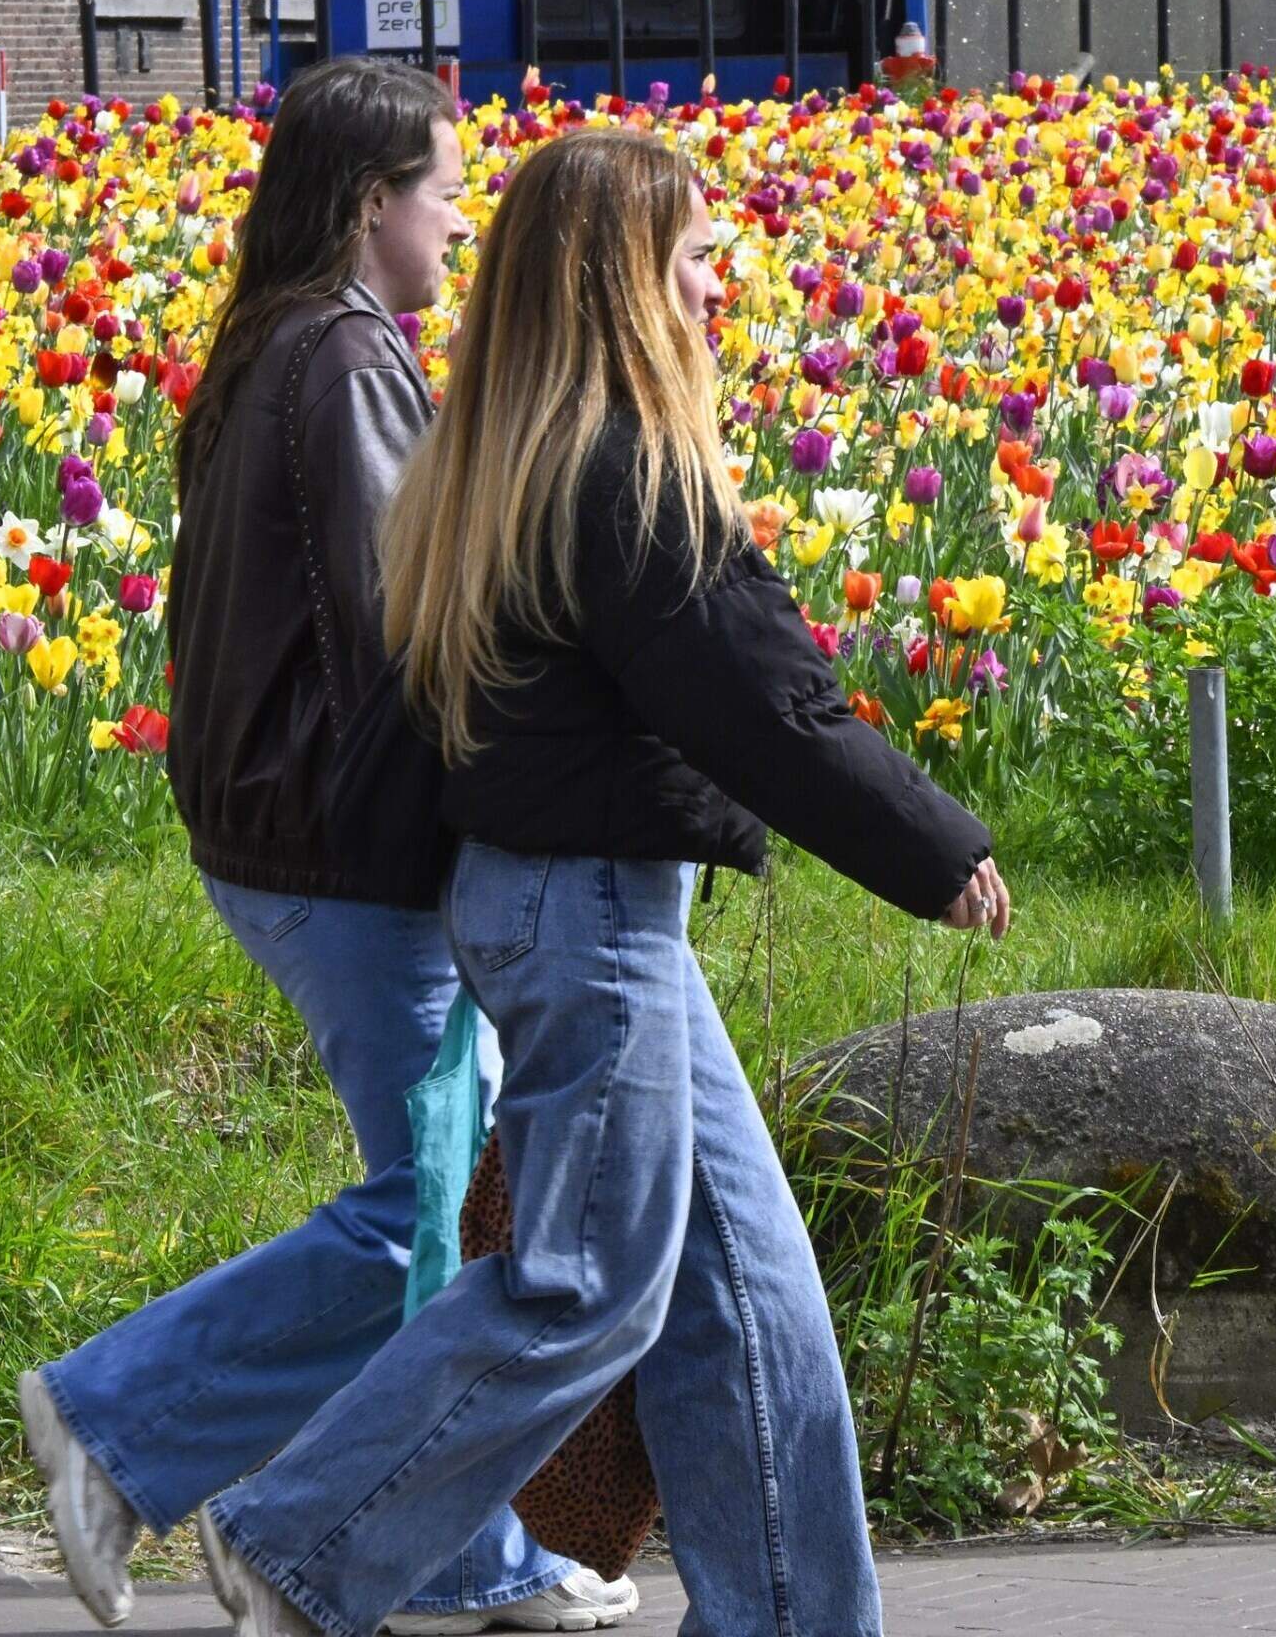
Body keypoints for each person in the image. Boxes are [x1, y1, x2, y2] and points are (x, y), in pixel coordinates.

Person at [190, 127, 1014, 1637]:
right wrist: (934, 849)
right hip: (595, 923)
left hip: (554, 906)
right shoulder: (623, 476)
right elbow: (765, 701)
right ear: (628, 283)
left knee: (750, 1294)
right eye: (697, 260)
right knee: (587, 1289)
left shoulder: (490, 461)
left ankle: (788, 1617)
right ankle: (299, 1536)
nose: (719, 288)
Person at [18, 58, 637, 1637]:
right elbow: (405, 626)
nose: (461, 224)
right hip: (345, 856)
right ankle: (117, 1422)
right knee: (433, 1220)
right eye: (445, 191)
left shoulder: (274, 342)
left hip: (274, 837)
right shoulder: (349, 359)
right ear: (374, 203)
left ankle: (457, 1547)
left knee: (448, 1209)